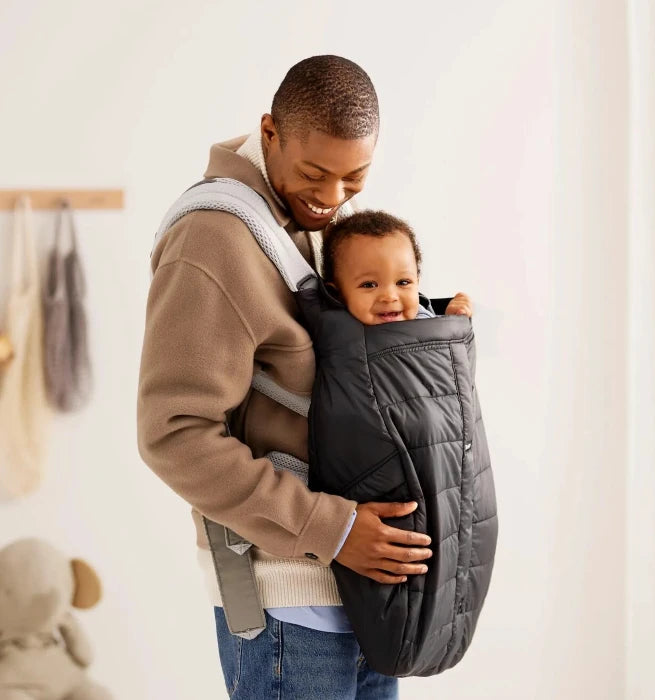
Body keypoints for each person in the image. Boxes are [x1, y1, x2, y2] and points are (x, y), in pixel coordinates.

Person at [137, 56, 436, 699]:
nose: (331, 200)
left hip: (365, 594)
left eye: (354, 179)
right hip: (285, 605)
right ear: (269, 132)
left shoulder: (304, 227)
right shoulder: (212, 240)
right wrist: (335, 530)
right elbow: (174, 433)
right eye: (314, 174)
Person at [321, 209, 472, 324]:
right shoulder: (337, 333)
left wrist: (450, 321)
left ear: (417, 282)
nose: (390, 297)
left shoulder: (425, 319)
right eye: (369, 285)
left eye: (403, 282)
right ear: (336, 295)